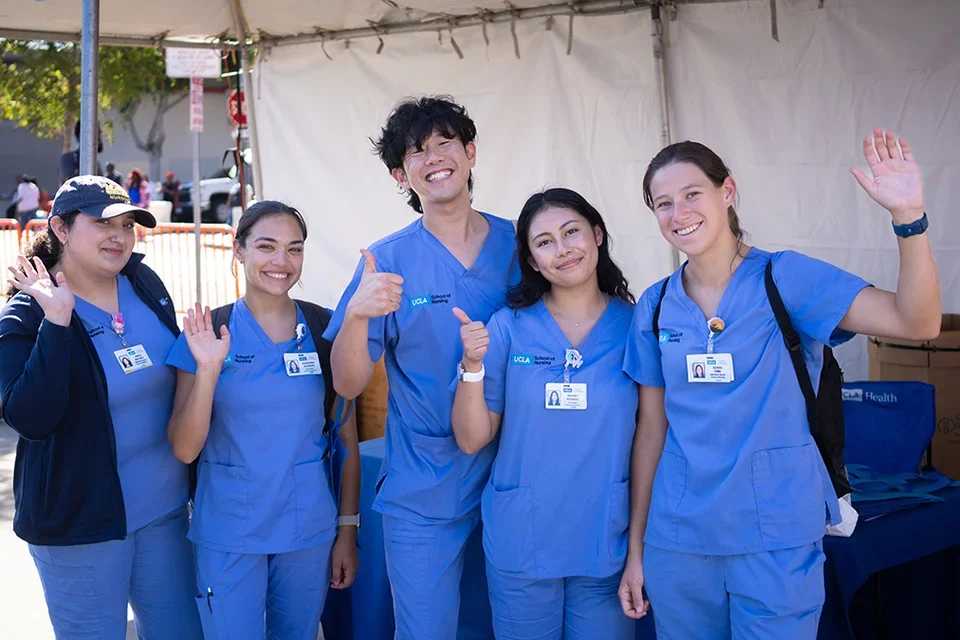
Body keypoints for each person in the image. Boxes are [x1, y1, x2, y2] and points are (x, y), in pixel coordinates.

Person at [618, 129, 941, 639]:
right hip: (679, 539)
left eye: (692, 194)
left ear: (728, 192)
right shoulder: (655, 306)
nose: (678, 213)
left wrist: (908, 218)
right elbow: (651, 432)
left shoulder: (784, 278)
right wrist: (636, 548)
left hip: (774, 534)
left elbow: (917, 323)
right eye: (663, 203)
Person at [325, 96, 520, 640]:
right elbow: (347, 384)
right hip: (426, 485)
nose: (434, 157)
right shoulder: (387, 262)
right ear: (400, 174)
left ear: (471, 152)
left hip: (516, 473)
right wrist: (359, 316)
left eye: (445, 143)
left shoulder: (522, 244)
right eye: (416, 151)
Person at [0, 175, 202, 638]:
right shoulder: (26, 313)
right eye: (102, 223)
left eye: (128, 224)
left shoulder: (143, 281)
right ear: (62, 228)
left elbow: (177, 373)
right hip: (82, 527)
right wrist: (57, 322)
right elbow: (30, 418)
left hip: (166, 513)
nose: (120, 236)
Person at [166, 200, 361, 639]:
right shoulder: (206, 332)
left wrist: (347, 529)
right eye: (266, 247)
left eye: (294, 249)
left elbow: (345, 436)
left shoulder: (324, 331)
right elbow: (183, 447)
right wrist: (209, 372)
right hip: (229, 531)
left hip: (308, 529)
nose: (281, 262)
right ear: (239, 251)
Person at [450, 188, 637, 639]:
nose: (562, 249)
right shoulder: (508, 327)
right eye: (544, 241)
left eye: (572, 232)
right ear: (532, 260)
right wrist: (471, 368)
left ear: (597, 235)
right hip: (524, 539)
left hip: (604, 539)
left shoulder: (637, 326)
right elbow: (473, 439)